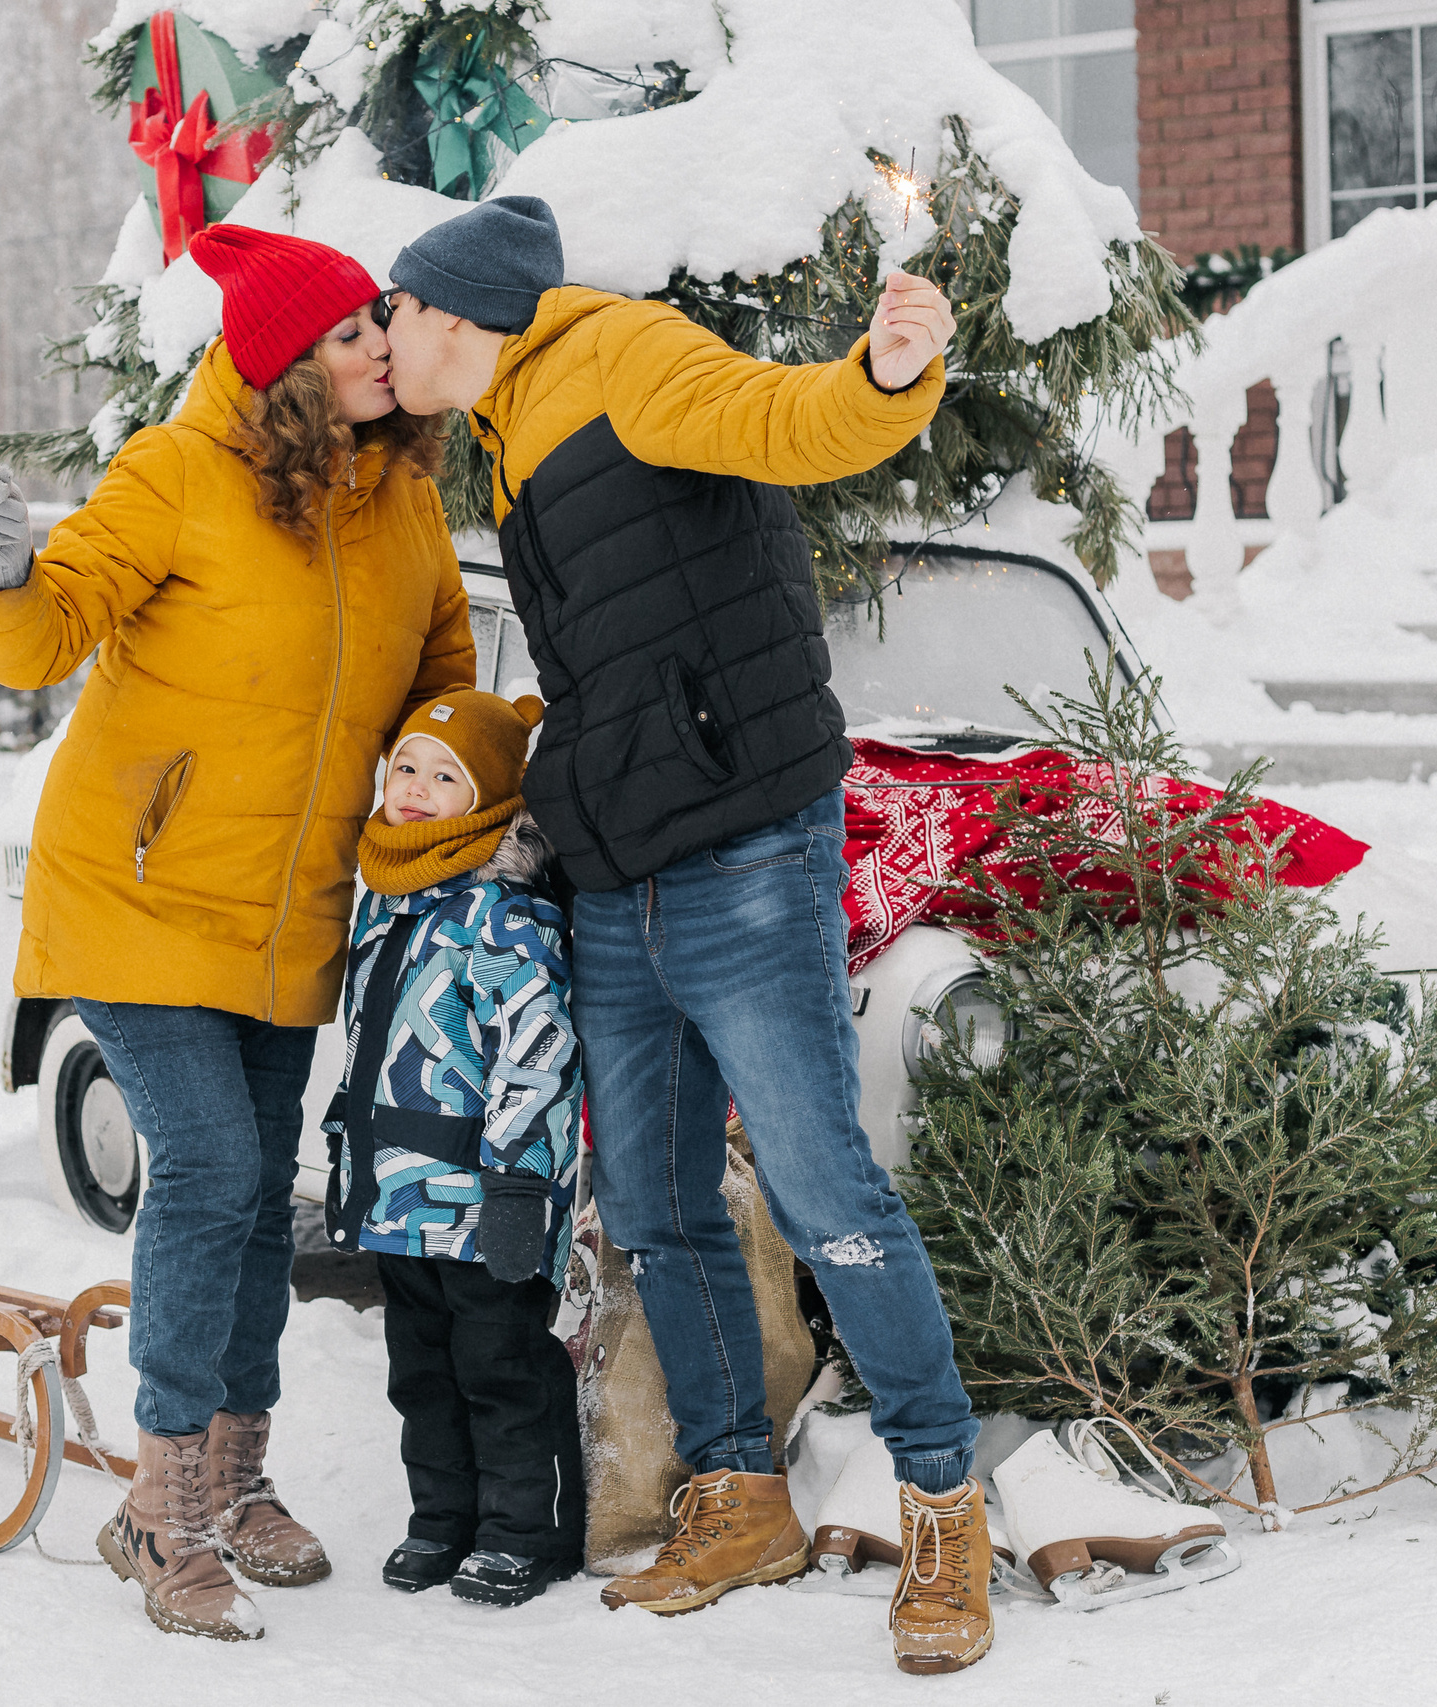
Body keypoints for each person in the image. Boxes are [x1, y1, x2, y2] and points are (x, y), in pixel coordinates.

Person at [377, 197, 992, 1674]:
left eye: (390, 311)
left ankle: (943, 1502)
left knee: (824, 1185)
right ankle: (737, 1494)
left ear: (454, 311)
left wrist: (890, 374)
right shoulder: (512, 425)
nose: (379, 336)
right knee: (654, 1199)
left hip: (743, 852)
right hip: (621, 871)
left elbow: (792, 422)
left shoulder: (625, 357)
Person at [0, 222, 475, 1644]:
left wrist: (450, 790)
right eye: (354, 330)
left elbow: (441, 682)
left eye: (383, 323)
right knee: (206, 1166)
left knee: (255, 1187)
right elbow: (50, 631)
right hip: (136, 892)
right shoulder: (179, 474)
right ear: (289, 366)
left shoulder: (404, 507)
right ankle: (158, 1502)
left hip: (285, 910)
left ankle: (236, 1480)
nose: (384, 343)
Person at [321, 688, 586, 1609]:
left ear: (490, 800)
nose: (419, 789)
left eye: (447, 777)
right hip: (399, 1198)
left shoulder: (503, 915)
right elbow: (369, 1051)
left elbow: (540, 1057)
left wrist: (519, 1188)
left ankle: (527, 1532)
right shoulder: (386, 899)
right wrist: (347, 1161)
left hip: (485, 1203)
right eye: (407, 768)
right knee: (421, 1374)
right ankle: (443, 1518)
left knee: (501, 1369)